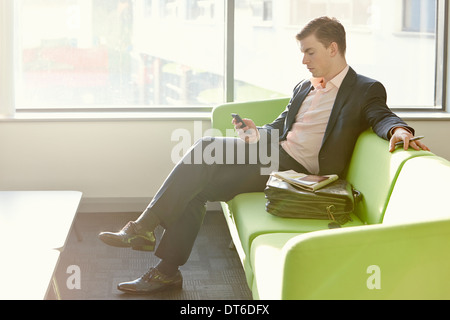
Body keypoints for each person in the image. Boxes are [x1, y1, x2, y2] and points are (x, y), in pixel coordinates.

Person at [98, 16, 430, 294]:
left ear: (333, 48)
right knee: (195, 188)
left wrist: (399, 130)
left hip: (299, 171)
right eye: (302, 53)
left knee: (206, 147)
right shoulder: (306, 85)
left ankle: (142, 227)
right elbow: (283, 125)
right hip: (273, 153)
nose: (304, 60)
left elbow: (380, 114)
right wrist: (257, 133)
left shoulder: (365, 89)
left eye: (310, 52)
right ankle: (167, 270)